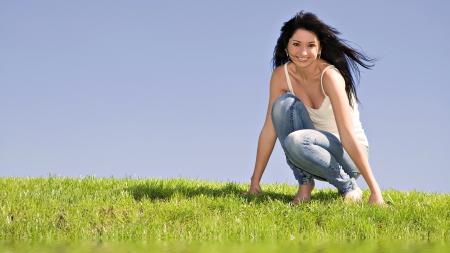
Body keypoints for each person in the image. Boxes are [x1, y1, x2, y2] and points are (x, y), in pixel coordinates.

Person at [246, 11, 385, 205]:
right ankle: (305, 186)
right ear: (286, 47)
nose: (303, 53)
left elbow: (347, 134)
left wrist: (375, 191)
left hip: (349, 157)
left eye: (310, 45)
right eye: (296, 44)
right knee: (282, 105)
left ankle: (349, 187)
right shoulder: (281, 76)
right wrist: (255, 182)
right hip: (310, 156)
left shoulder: (330, 77)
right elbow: (270, 130)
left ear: (319, 49)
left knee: (296, 140)